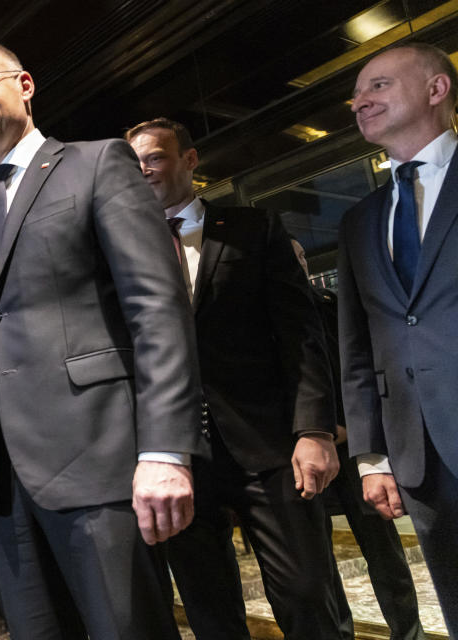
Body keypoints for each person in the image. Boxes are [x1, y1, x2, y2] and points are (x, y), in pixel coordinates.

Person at [0, 40, 207, 639]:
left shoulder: (97, 163)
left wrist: (165, 450)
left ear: (25, 84)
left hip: (99, 460)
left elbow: (157, 309)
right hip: (1, 480)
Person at [128, 117, 343, 639]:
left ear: (189, 160)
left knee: (307, 593)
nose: (144, 171)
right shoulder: (123, 251)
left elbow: (301, 336)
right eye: (134, 165)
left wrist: (313, 430)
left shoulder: (254, 228)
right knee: (209, 610)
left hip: (267, 446)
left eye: (154, 157)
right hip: (177, 456)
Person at [340, 42, 458, 635]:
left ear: (436, 90)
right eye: (358, 94)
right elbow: (357, 346)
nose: (361, 101)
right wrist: (371, 457)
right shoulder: (360, 219)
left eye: (380, 85)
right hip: (419, 455)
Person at [290, 239, 425, 640]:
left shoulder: (331, 306)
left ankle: (409, 633)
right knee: (321, 564)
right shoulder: (266, 319)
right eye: (288, 257)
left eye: (300, 255)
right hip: (304, 454)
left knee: (385, 555)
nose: (296, 263)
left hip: (354, 450)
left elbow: (358, 369)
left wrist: (349, 427)